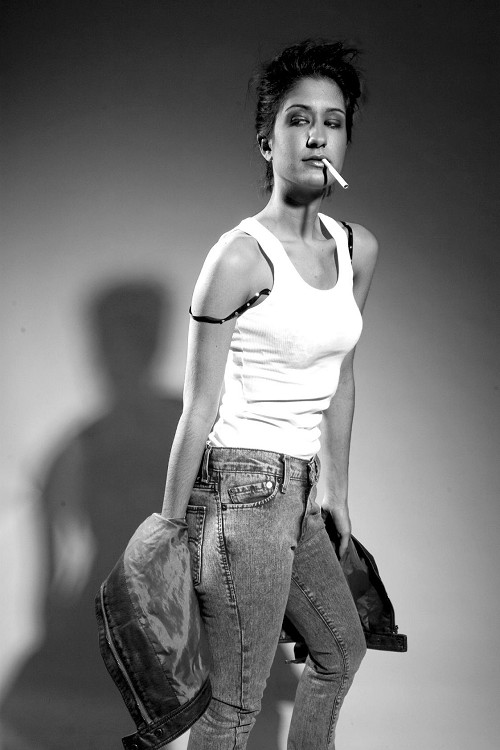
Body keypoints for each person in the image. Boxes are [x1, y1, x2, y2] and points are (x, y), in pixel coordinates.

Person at [161, 39, 379, 750]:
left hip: (301, 491)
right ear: (267, 141)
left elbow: (341, 376)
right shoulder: (239, 257)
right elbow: (198, 406)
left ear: (345, 141)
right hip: (239, 493)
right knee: (234, 707)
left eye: (333, 121)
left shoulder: (357, 249)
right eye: (297, 119)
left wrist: (336, 490)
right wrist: (167, 535)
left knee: (340, 651)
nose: (317, 136)